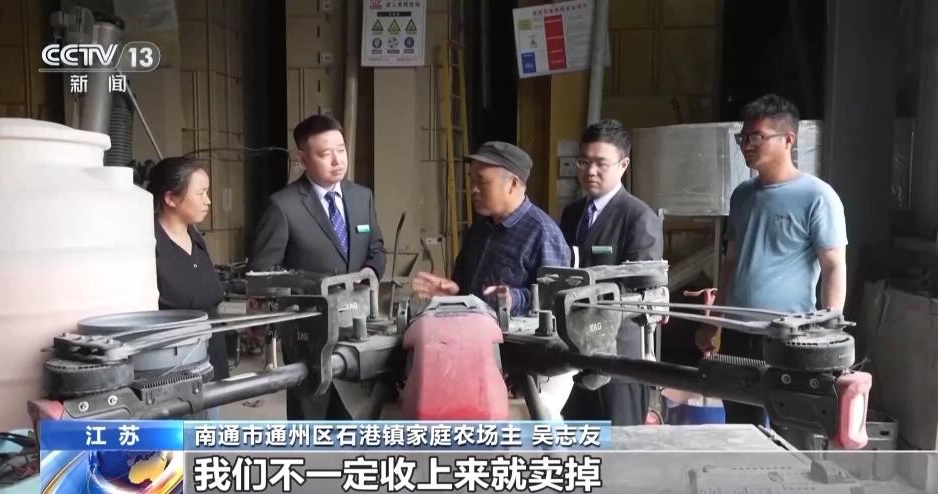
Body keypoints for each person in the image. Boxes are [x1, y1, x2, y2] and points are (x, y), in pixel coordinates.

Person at [695, 94, 848, 427]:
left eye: (756, 137)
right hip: (738, 332)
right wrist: (714, 320)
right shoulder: (742, 195)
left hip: (788, 337)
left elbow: (834, 266)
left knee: (789, 425)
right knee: (740, 423)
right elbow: (730, 263)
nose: (746, 145)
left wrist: (827, 334)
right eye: (742, 138)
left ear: (788, 139)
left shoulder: (817, 197)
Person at [249, 114, 385, 420]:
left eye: (341, 150)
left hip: (358, 323)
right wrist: (316, 284)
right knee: (311, 415)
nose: (337, 161)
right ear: (302, 158)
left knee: (354, 416)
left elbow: (375, 248)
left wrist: (370, 274)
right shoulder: (283, 206)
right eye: (325, 154)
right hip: (307, 332)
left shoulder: (361, 197)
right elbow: (262, 272)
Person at [558, 119, 663, 426]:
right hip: (577, 351)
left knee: (619, 442)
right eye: (584, 162)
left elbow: (642, 294)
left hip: (620, 357)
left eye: (601, 163)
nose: (590, 171)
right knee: (581, 437)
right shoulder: (572, 214)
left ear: (623, 165)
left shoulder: (638, 217)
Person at [411, 141, 571, 317]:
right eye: (471, 180)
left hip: (513, 334)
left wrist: (513, 299)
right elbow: (464, 288)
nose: (473, 189)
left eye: (482, 181)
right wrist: (454, 293)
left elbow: (555, 300)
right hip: (469, 328)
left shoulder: (544, 234)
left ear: (513, 184)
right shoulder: (479, 228)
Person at [148, 157, 229, 383]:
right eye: (201, 193)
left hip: (213, 359)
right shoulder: (150, 245)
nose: (208, 201)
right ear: (170, 198)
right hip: (174, 369)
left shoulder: (196, 239)